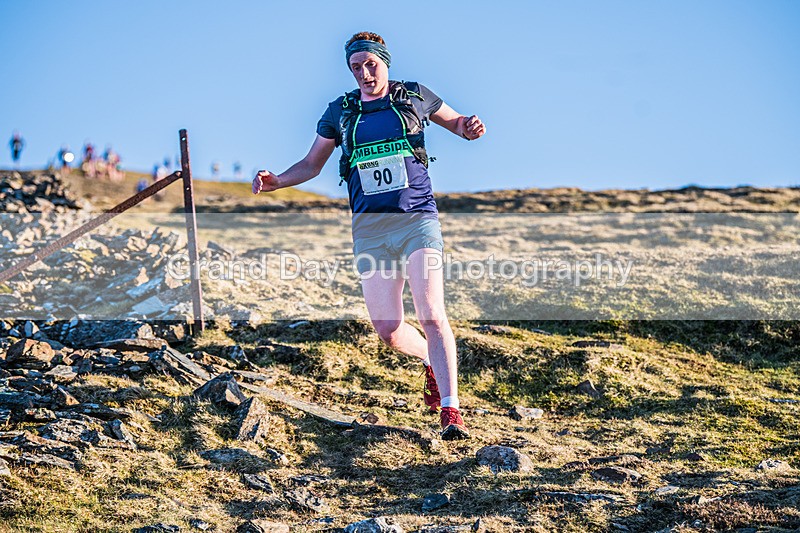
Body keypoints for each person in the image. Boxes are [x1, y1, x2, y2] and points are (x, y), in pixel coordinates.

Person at [252, 31, 486, 440]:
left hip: (417, 220)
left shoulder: (413, 96)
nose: (364, 73)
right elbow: (311, 164)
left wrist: (470, 127)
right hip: (370, 231)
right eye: (356, 67)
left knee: (431, 313)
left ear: (385, 62)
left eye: (370, 65)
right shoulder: (340, 112)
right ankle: (431, 361)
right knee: (389, 330)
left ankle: (451, 412)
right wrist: (277, 181)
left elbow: (458, 123)